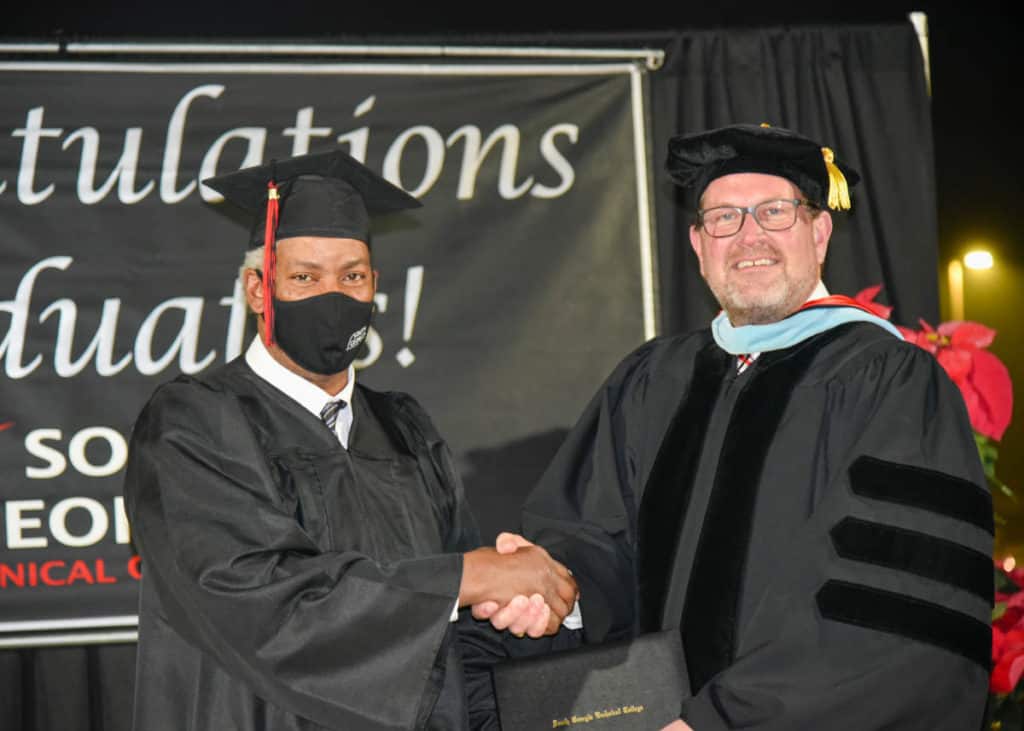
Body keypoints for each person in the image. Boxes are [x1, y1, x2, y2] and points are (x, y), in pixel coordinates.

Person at [482, 123, 993, 730]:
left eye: (775, 212)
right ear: (699, 245)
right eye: (724, 218)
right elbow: (599, 537)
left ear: (819, 231)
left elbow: (895, 615)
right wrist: (554, 590)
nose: (749, 236)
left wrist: (724, 722)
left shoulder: (892, 382)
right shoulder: (651, 379)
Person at [122, 149, 577, 731]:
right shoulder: (194, 421)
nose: (332, 295)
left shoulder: (403, 426)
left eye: (352, 276)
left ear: (373, 288)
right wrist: (472, 577)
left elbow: (460, 619)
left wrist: (515, 602)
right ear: (259, 289)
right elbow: (261, 602)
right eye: (305, 277)